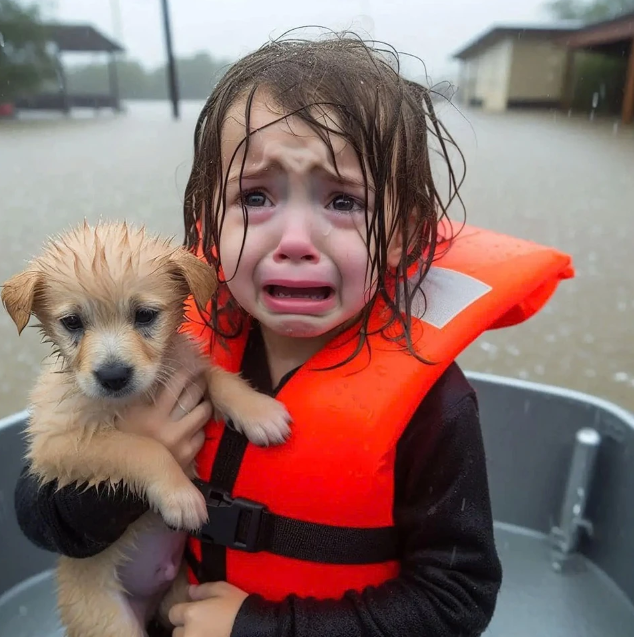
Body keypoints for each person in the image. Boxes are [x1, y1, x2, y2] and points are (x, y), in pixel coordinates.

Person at [14, 30, 567, 637]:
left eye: (343, 201)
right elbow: (40, 520)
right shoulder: (168, 338)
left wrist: (261, 628)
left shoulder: (438, 408)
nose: (296, 240)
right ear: (208, 220)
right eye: (255, 196)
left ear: (407, 232)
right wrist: (134, 469)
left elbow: (457, 600)